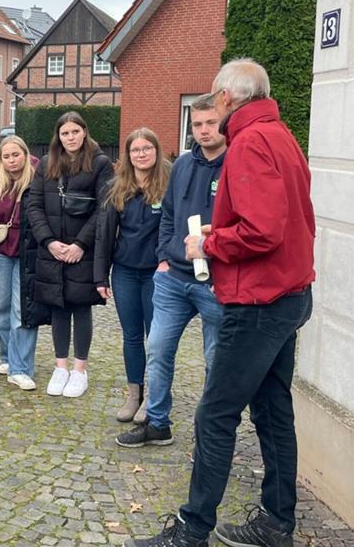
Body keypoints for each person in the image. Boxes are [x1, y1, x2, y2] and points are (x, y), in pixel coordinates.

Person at [126, 59, 315, 547]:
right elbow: (275, 219)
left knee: (215, 415)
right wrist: (222, 232)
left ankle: (192, 532)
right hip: (288, 294)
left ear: (227, 97)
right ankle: (277, 523)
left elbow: (263, 231)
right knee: (273, 411)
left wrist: (209, 245)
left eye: (215, 98)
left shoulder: (250, 142)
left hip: (258, 301)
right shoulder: (282, 135)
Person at [115, 96, 227, 448]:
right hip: (175, 278)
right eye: (197, 124)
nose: (204, 130)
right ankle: (157, 422)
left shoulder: (236, 164)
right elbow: (168, 216)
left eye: (211, 123)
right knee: (158, 349)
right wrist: (165, 256)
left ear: (224, 123)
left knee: (215, 358)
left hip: (217, 281)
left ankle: (210, 432)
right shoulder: (181, 167)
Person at [26, 111, 113, 398]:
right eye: (65, 133)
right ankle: (60, 366)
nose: (71, 137)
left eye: (75, 131)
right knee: (58, 307)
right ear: (59, 136)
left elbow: (104, 209)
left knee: (80, 306)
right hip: (53, 249)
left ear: (84, 132)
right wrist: (49, 241)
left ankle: (79, 370)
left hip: (82, 251)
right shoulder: (47, 164)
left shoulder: (100, 164)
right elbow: (34, 205)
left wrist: (80, 244)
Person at [94, 128, 170, 423]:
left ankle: (154, 395)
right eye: (135, 150)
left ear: (156, 151)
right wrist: (100, 276)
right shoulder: (117, 187)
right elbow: (104, 234)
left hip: (157, 273)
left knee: (157, 338)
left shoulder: (169, 185)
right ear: (128, 155)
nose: (141, 154)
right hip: (124, 272)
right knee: (132, 336)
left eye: (146, 149)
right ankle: (134, 394)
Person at [0, 135, 48, 390]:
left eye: (15, 155)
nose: (11, 160)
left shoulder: (39, 180)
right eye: (6, 156)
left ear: (25, 154)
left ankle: (22, 368)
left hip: (28, 253)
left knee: (23, 312)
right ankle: (8, 355)